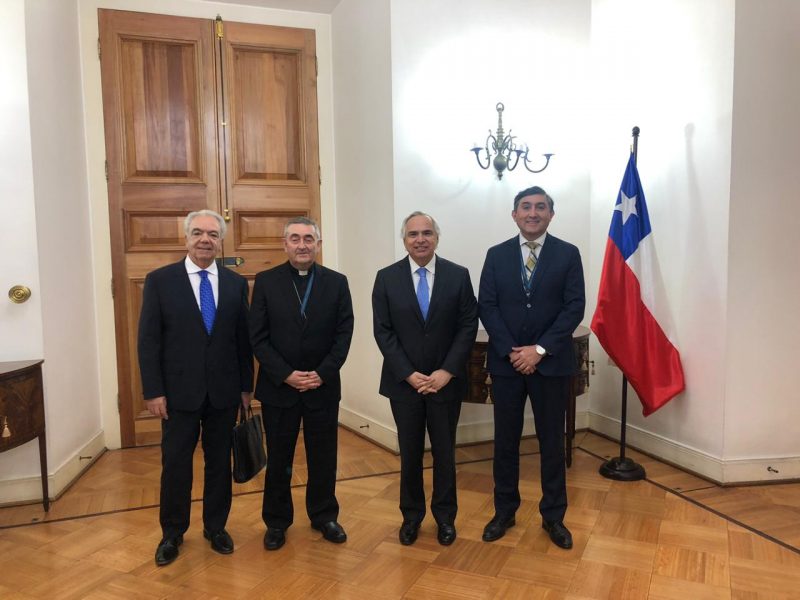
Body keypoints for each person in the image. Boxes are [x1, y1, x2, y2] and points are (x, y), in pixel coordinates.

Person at [138, 209, 253, 567]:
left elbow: (243, 341)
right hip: (177, 395)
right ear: (186, 238)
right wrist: (153, 391)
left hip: (224, 392)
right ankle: (172, 533)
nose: (205, 240)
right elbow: (148, 341)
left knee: (219, 462)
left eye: (213, 234)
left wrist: (246, 387)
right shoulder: (160, 281)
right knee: (176, 465)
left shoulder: (235, 284)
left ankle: (216, 527)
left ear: (221, 242)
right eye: (198, 233)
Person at [478, 186, 585, 549]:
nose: (533, 212)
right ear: (515, 215)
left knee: (552, 443)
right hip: (507, 365)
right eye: (526, 207)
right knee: (505, 443)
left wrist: (538, 350)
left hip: (551, 365)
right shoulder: (496, 255)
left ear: (551, 214)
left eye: (540, 207)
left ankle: (554, 517)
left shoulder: (568, 254)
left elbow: (574, 307)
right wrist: (514, 352)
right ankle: (504, 512)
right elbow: (487, 306)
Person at [372, 212, 478, 546]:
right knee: (410, 453)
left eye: (427, 233)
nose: (420, 239)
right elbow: (383, 331)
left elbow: (468, 326)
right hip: (404, 384)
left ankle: (445, 518)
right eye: (413, 234)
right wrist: (407, 373)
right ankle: (411, 517)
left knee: (445, 454)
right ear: (404, 240)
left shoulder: (458, 276)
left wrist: (447, 371)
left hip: (445, 383)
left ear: (437, 237)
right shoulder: (386, 278)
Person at [250, 216, 354, 551]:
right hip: (279, 387)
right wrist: (286, 374)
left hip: (322, 386)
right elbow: (258, 337)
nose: (302, 245)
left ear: (318, 244)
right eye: (295, 238)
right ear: (285, 244)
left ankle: (324, 515)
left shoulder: (337, 282)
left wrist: (322, 373)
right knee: (279, 458)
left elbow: (344, 334)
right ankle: (276, 522)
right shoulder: (266, 282)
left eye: (309, 239)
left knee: (324, 456)